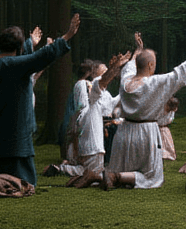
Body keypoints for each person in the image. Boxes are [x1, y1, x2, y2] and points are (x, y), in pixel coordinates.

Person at [0, 12, 82, 186]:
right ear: (18, 48)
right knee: (22, 183)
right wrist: (68, 35)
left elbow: (5, 52)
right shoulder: (13, 66)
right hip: (13, 139)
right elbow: (43, 56)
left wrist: (26, 44)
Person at [104, 30, 186, 190]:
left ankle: (113, 175)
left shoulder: (125, 82)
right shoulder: (154, 83)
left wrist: (138, 50)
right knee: (154, 177)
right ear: (150, 65)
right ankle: (117, 177)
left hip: (124, 132)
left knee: (120, 166)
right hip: (146, 133)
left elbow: (129, 67)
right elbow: (181, 71)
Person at [53, 51, 131, 187]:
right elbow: (101, 84)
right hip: (92, 141)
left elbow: (108, 93)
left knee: (92, 169)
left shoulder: (95, 97)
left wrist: (117, 69)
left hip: (91, 140)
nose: (106, 71)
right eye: (104, 69)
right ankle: (80, 173)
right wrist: (115, 68)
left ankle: (65, 169)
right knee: (99, 172)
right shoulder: (88, 89)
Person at [158, 96, 179, 161]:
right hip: (157, 127)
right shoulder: (160, 109)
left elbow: (170, 119)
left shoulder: (172, 111)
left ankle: (166, 154)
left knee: (166, 141)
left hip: (164, 127)